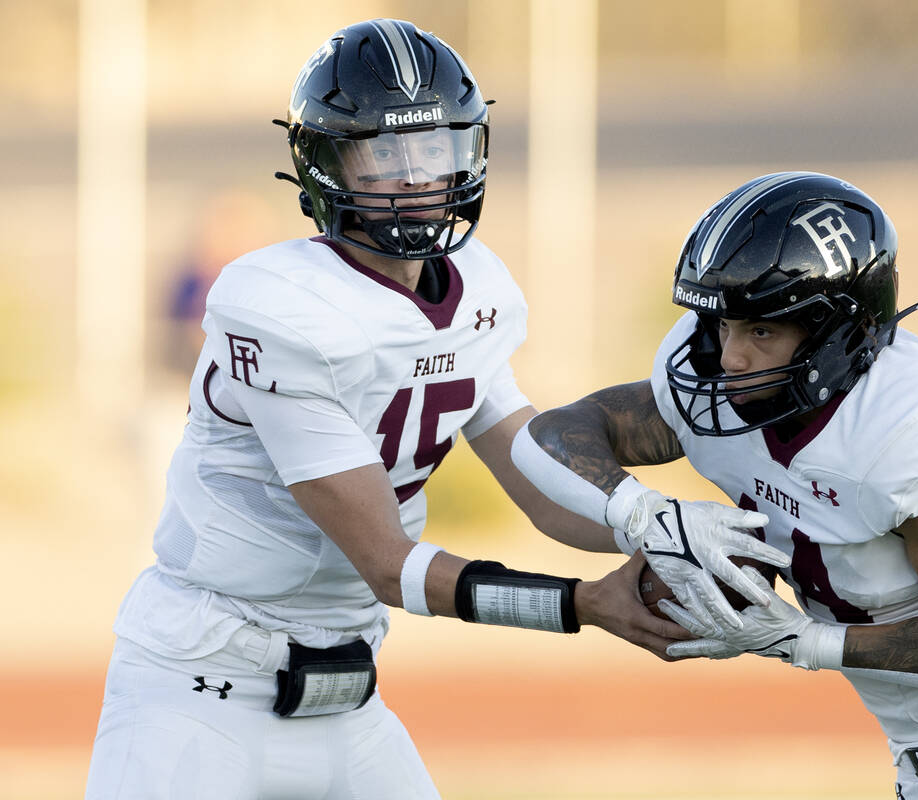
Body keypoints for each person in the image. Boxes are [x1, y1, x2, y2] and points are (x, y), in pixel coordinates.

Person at [85, 19, 697, 799]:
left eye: (434, 149)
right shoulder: (277, 304)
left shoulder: (478, 289)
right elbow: (388, 565)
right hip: (199, 694)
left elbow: (543, 485)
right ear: (326, 164)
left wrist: (669, 530)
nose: (414, 176)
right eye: (384, 153)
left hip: (350, 698)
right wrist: (582, 605)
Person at [512, 171, 918, 798]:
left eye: (761, 330)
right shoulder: (724, 385)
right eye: (723, 326)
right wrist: (646, 515)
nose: (730, 357)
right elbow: (555, 435)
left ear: (836, 335)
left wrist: (800, 640)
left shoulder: (903, 428)